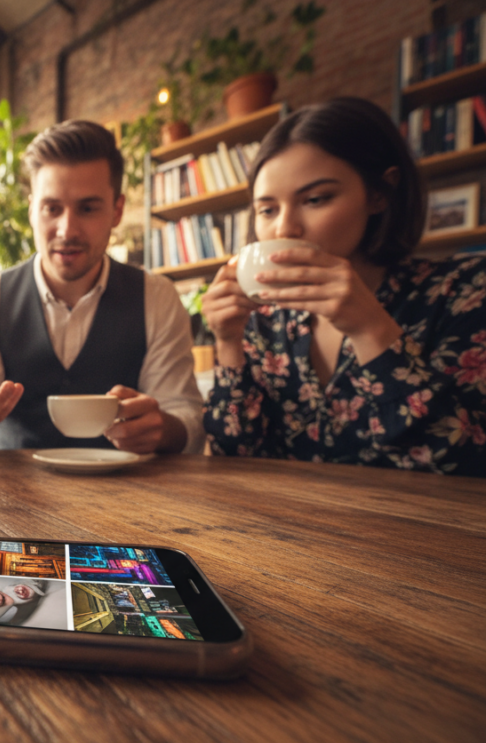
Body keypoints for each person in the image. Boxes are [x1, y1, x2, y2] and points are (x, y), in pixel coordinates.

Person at [201, 96, 485, 476]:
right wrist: (228, 341)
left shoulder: (462, 293)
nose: (285, 228)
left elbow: (465, 466)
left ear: (379, 195)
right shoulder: (266, 321)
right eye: (267, 209)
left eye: (316, 199)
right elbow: (233, 461)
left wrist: (370, 328)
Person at [0, 120, 203, 454]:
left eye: (88, 208)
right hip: (12, 499)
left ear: (116, 211)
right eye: (52, 208)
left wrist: (162, 431)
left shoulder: (157, 298)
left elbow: (186, 416)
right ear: (32, 209)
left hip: (130, 499)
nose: (67, 229)